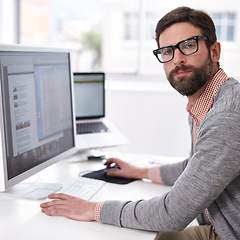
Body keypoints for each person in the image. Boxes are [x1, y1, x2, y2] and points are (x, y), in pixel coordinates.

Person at [40, 6, 240, 240]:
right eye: (167, 51)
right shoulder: (208, 100)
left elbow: (173, 213)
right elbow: (194, 168)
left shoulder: (226, 116)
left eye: (188, 45)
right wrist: (139, 171)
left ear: (214, 51)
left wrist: (94, 209)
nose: (177, 59)